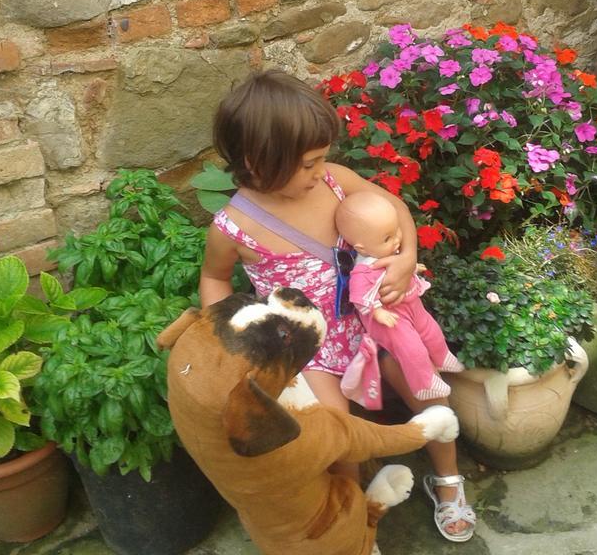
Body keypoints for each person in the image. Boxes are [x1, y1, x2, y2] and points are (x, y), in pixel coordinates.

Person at [198, 69, 476, 542]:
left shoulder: (336, 182)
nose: (318, 171)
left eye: (321, 159)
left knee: (426, 391)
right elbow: (214, 277)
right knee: (335, 434)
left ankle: (447, 479)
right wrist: (225, 339)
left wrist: (406, 257)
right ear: (258, 160)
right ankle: (353, 517)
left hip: (376, 325)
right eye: (307, 163)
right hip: (311, 348)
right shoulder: (233, 226)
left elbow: (394, 208)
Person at [335, 191, 464, 402]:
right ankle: (424, 384)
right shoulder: (364, 270)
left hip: (411, 304)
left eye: (396, 232)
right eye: (387, 238)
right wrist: (376, 311)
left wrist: (412, 266)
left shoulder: (387, 253)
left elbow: (401, 266)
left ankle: (442, 357)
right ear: (362, 247)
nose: (396, 240)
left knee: (431, 331)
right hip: (391, 319)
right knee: (412, 350)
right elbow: (358, 295)